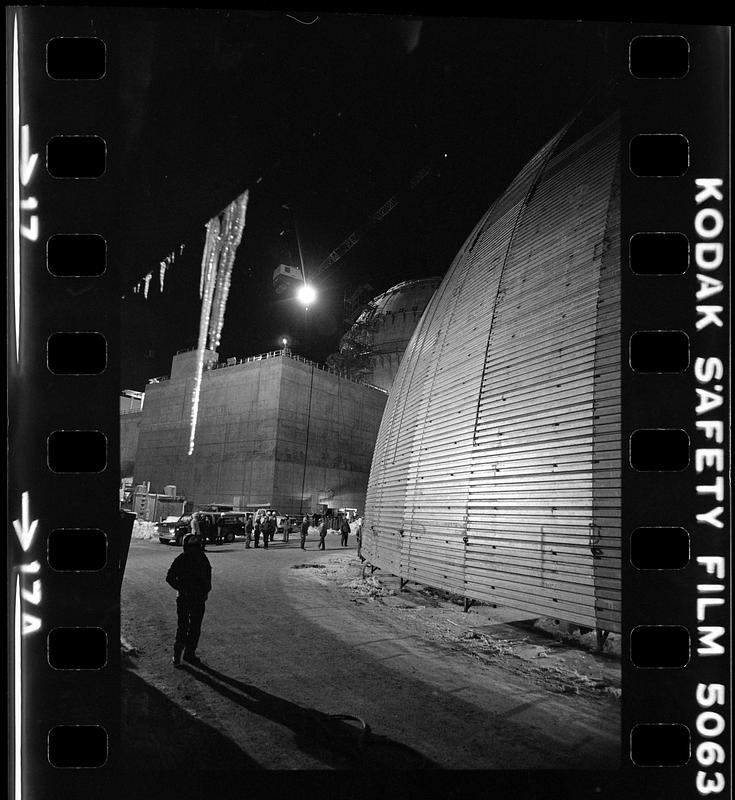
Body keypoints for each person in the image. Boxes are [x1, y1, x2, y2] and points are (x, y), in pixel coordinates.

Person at [166, 533, 212, 666]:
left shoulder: (181, 558)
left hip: (184, 598)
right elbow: (208, 578)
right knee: (194, 627)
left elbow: (169, 577)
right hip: (198, 599)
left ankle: (177, 656)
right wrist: (204, 591)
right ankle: (189, 654)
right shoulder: (203, 558)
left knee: (183, 626)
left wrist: (181, 589)